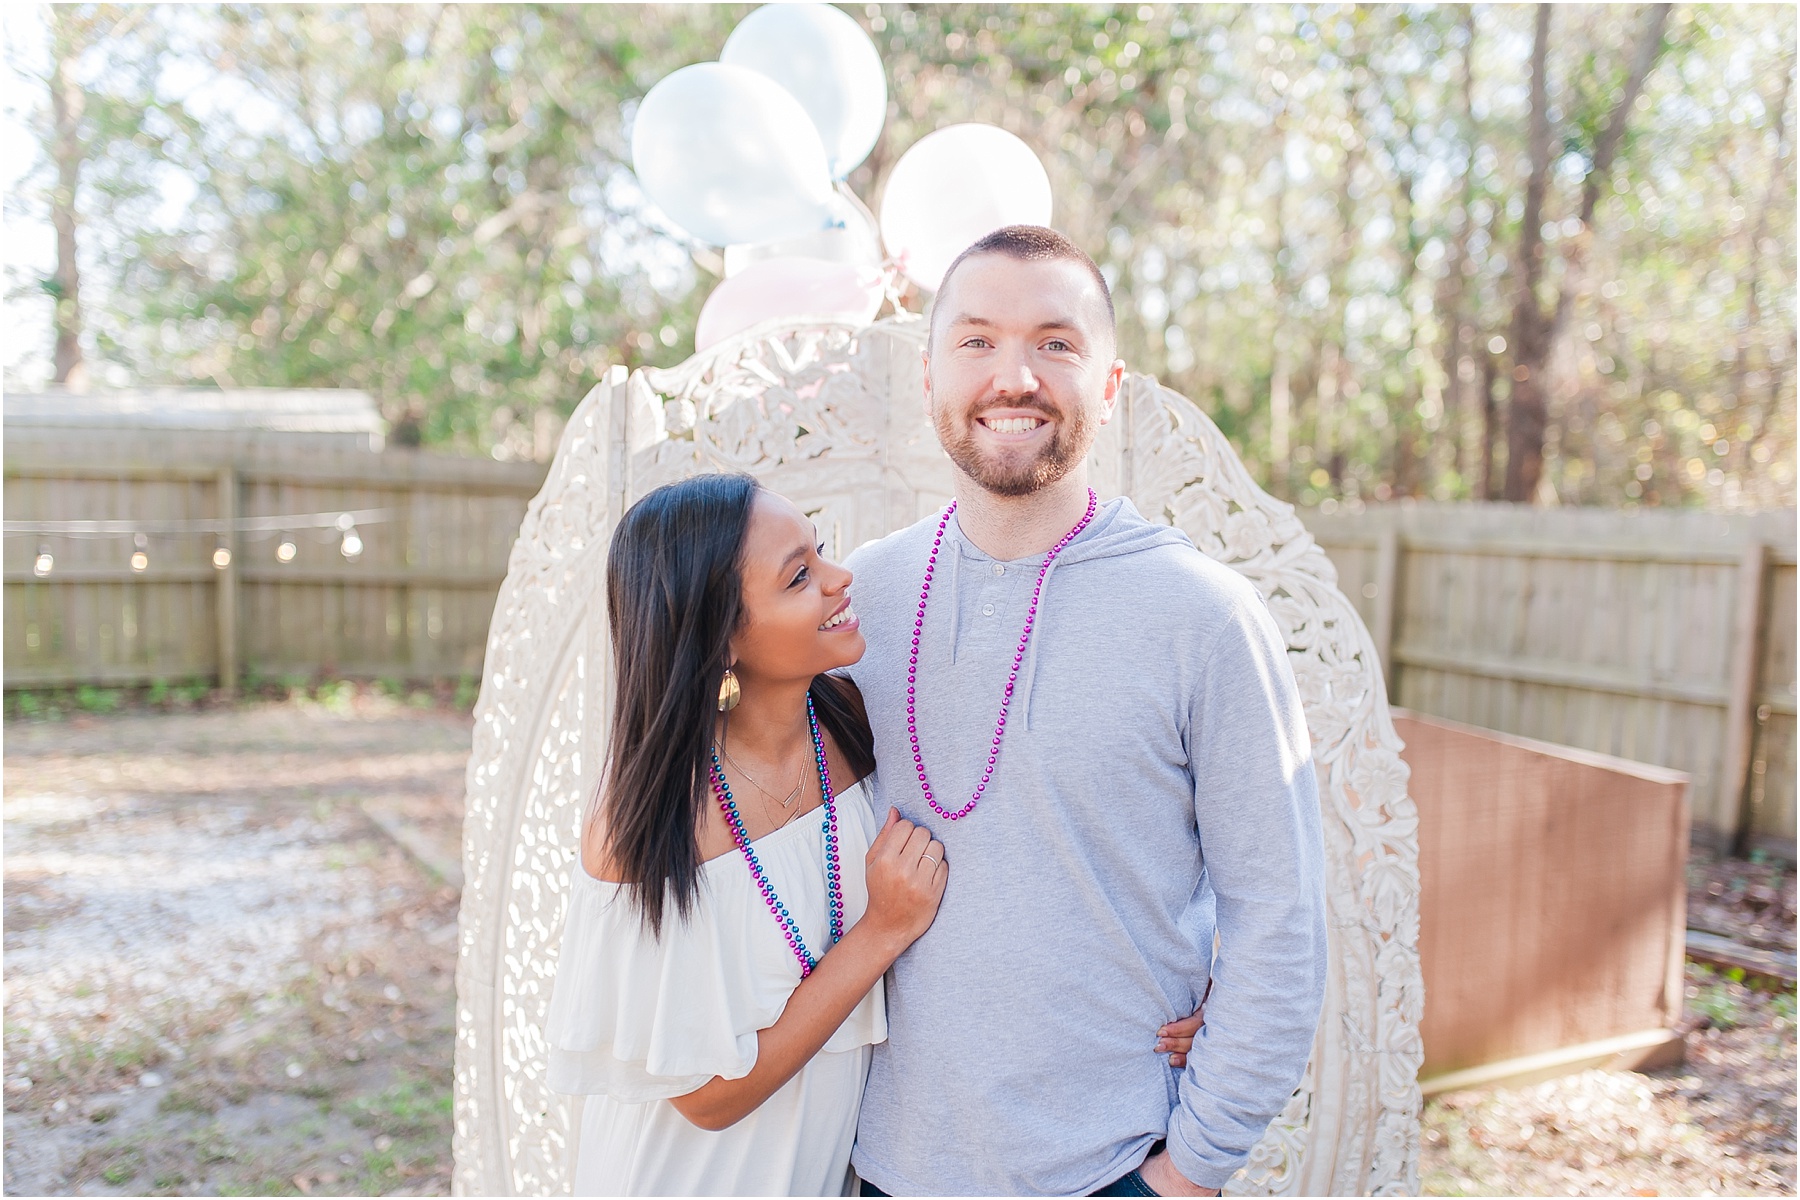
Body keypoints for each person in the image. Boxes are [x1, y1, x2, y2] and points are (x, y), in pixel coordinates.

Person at [541, 473, 1208, 1195]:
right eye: (800, 577)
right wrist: (881, 932)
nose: (840, 578)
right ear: (719, 641)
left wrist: (1177, 979)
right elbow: (704, 1096)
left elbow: (1039, 814)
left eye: (820, 550)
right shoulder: (647, 822)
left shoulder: (857, 724)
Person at [841, 226, 1329, 1197]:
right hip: (874, 1165)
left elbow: (1280, 921)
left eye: (1055, 344)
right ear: (930, 375)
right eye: (976, 341)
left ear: (1109, 387)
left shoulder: (1207, 618)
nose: (1012, 375)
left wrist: (1185, 1174)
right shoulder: (854, 603)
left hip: (1109, 1169)